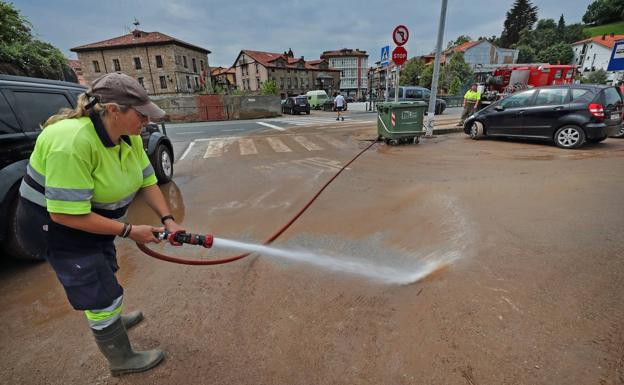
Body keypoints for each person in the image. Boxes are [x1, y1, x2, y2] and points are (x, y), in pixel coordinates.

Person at [16, 72, 185, 376]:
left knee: (106, 268)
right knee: (97, 290)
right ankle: (121, 359)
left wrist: (168, 219)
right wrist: (130, 231)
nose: (146, 121)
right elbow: (65, 214)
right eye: (140, 114)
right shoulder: (72, 142)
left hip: (89, 219)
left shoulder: (128, 137)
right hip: (55, 227)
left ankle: (113, 320)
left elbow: (147, 181)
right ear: (112, 110)